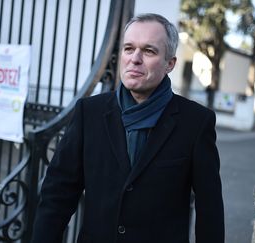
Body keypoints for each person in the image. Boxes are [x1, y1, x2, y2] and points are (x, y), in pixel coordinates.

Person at [31, 13, 224, 243]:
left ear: (169, 63)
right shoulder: (89, 113)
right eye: (129, 48)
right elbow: (58, 194)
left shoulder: (196, 122)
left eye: (149, 51)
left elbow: (209, 211)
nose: (135, 59)